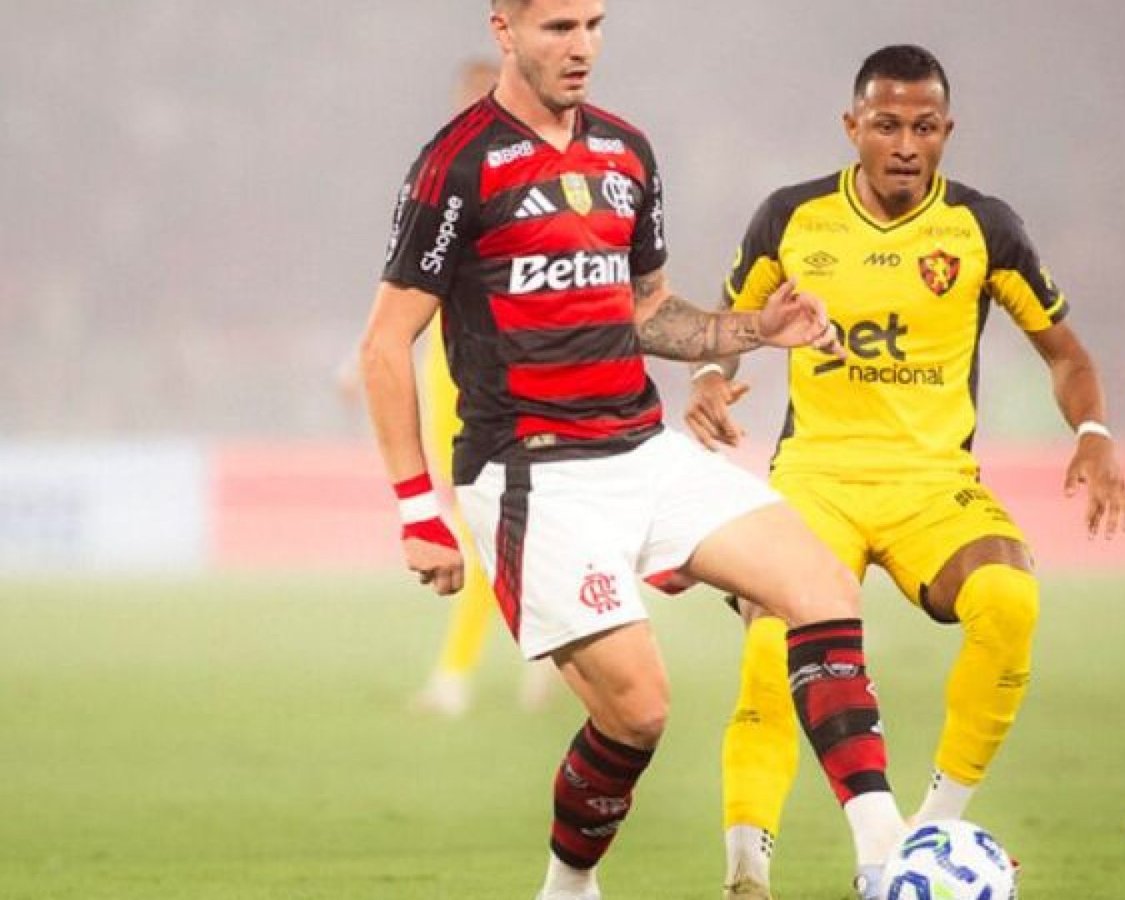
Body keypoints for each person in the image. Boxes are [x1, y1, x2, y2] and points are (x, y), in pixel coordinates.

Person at [358, 2, 906, 898]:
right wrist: (420, 512)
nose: (581, 48)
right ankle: (567, 887)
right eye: (557, 28)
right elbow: (386, 343)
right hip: (532, 472)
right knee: (640, 714)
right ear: (505, 29)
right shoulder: (457, 163)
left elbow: (647, 311)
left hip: (642, 448)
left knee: (822, 590)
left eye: (594, 25)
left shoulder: (626, 153)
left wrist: (755, 328)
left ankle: (887, 855)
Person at [685, 45, 1125, 900]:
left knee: (1010, 602)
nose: (904, 144)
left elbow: (1063, 350)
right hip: (816, 477)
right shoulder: (791, 217)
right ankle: (747, 871)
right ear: (852, 127)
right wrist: (707, 378)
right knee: (769, 653)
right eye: (885, 125)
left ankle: (927, 834)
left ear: (946, 132)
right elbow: (723, 325)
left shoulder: (983, 228)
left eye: (923, 127)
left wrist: (1095, 427)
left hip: (932, 484)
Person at [380, 57, 559, 718]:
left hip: (503, 380)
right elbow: (407, 292)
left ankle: (458, 676)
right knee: (506, 529)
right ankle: (554, 648)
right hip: (446, 376)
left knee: (487, 527)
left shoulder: (535, 180)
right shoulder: (445, 177)